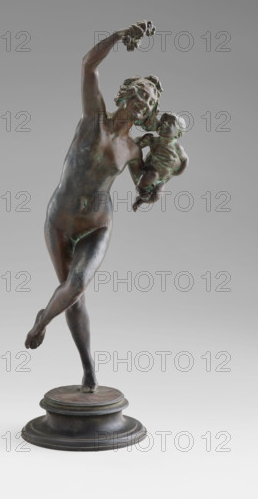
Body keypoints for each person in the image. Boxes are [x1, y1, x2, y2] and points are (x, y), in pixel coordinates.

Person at [24, 21, 162, 392]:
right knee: (73, 298)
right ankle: (88, 370)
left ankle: (41, 323)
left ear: (149, 112)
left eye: (149, 101)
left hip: (98, 224)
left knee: (78, 284)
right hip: (59, 220)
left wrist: (154, 185)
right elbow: (88, 65)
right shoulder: (93, 118)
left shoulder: (133, 148)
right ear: (126, 93)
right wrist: (119, 36)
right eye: (140, 92)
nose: (143, 100)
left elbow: (144, 187)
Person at [132, 112, 188, 211]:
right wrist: (142, 140)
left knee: (156, 196)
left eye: (169, 123)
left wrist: (178, 172)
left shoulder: (177, 148)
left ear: (178, 134)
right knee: (153, 175)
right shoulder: (154, 141)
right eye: (163, 121)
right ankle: (141, 189)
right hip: (151, 170)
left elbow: (185, 160)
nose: (164, 123)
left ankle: (141, 201)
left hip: (162, 179)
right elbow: (136, 145)